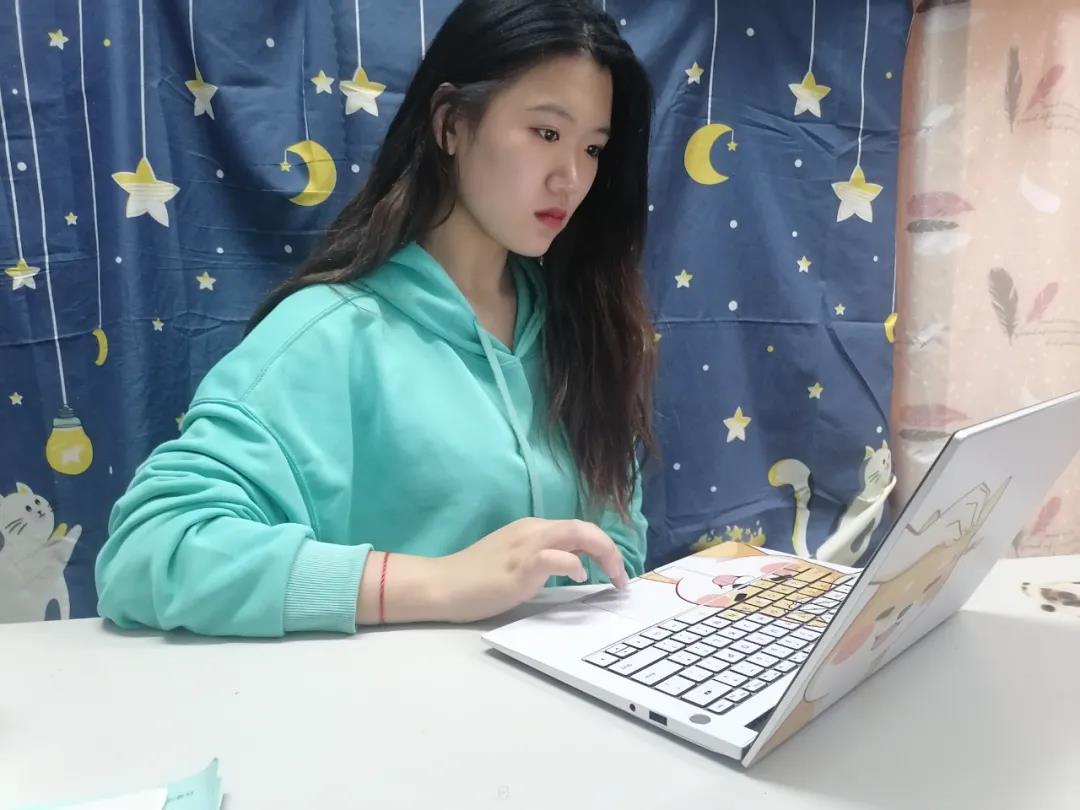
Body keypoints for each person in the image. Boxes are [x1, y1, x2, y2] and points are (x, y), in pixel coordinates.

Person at [95, 0, 657, 637]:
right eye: (547, 134)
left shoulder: (584, 331)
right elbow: (149, 552)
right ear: (450, 123)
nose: (571, 178)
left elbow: (616, 551)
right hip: (381, 699)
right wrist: (440, 583)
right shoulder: (330, 333)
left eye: (593, 148)